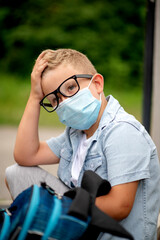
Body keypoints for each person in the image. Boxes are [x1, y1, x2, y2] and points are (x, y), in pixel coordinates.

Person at [5, 49, 160, 239]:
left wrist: (58, 207)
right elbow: (26, 155)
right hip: (83, 224)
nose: (65, 102)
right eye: (55, 100)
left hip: (112, 234)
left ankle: (49, 225)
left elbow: (120, 206)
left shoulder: (122, 131)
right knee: (16, 173)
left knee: (38, 205)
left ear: (97, 84)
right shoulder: (76, 132)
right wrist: (35, 97)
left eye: (70, 88)